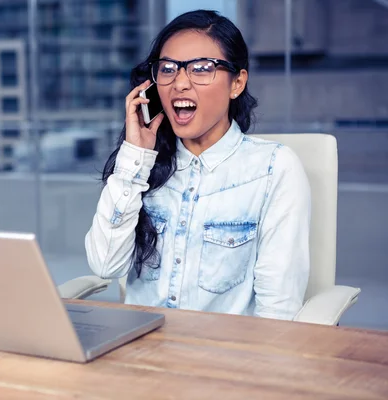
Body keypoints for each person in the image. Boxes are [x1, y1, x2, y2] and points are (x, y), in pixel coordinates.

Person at [85, 9, 311, 321]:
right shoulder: (143, 166)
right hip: (140, 353)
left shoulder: (273, 169)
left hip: (224, 359)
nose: (179, 83)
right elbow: (105, 265)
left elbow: (278, 310)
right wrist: (134, 157)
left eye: (201, 69)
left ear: (237, 83)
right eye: (167, 69)